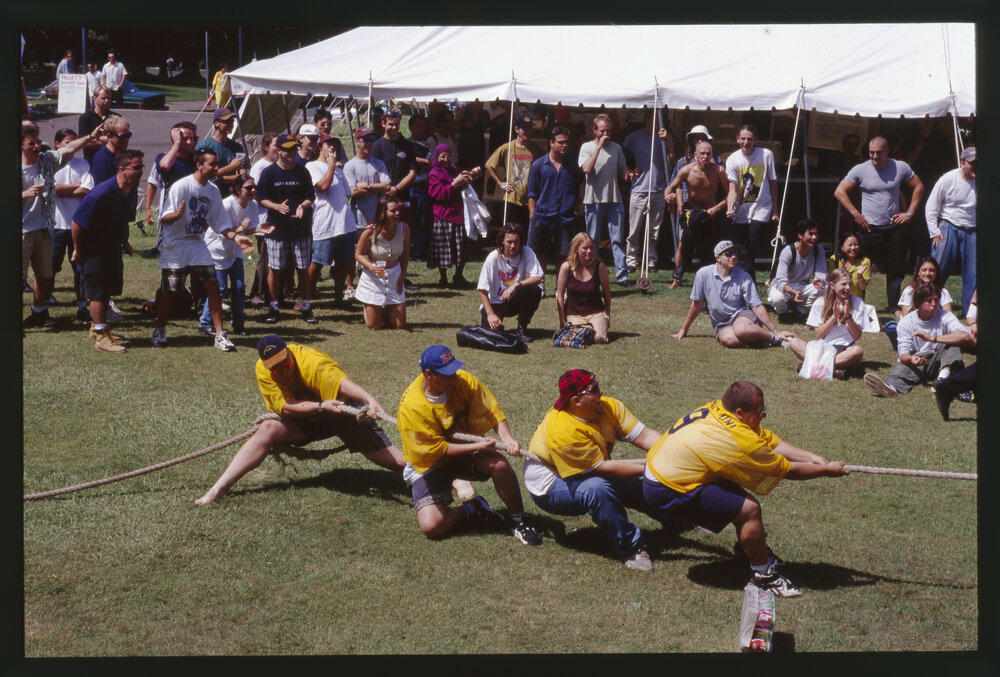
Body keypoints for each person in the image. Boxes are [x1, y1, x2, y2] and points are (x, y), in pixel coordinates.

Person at [643, 380, 849, 597]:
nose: (763, 416)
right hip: (666, 488)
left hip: (663, 469)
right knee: (748, 510)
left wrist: (811, 457)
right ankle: (763, 576)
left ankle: (749, 549)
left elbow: (767, 440)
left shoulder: (719, 408)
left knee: (736, 490)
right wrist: (826, 472)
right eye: (760, 412)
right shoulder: (737, 439)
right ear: (740, 412)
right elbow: (784, 469)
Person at [195, 335, 408, 506]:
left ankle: (438, 466)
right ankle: (218, 489)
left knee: (397, 463)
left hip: (343, 411)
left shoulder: (310, 361)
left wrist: (369, 400)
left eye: (284, 363)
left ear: (289, 352)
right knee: (267, 428)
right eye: (275, 368)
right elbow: (286, 406)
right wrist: (320, 407)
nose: (282, 370)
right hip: (309, 416)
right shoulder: (263, 370)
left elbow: (342, 384)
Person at [395, 345, 543, 545]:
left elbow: (492, 411)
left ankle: (519, 519)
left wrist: (507, 439)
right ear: (428, 374)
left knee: (499, 464)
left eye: (454, 370)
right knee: (432, 526)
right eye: (447, 373)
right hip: (429, 462)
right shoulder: (412, 407)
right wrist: (477, 447)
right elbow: (437, 450)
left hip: (462, 452)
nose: (454, 376)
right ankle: (474, 509)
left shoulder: (463, 381)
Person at [524, 369, 665, 570]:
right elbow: (603, 470)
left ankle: (680, 520)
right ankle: (630, 549)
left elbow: (645, 437)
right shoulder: (563, 430)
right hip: (550, 485)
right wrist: (651, 468)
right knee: (598, 489)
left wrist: (671, 452)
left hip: (589, 468)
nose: (602, 392)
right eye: (595, 389)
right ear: (577, 400)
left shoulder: (609, 407)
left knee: (642, 483)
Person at [152, 148, 256, 350]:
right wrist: (177, 214)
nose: (217, 168)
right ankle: (159, 329)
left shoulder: (213, 190)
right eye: (213, 164)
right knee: (170, 291)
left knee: (214, 287)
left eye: (217, 164)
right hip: (175, 244)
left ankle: (220, 335)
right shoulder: (181, 186)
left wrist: (237, 237)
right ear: (199, 165)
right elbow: (164, 218)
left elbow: (220, 223)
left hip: (197, 243)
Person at [833, 136, 925, 312]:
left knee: (895, 267)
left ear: (887, 151)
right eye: (871, 153)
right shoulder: (860, 169)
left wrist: (909, 213)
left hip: (893, 227)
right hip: (868, 228)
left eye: (878, 153)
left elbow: (919, 186)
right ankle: (856, 304)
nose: (874, 156)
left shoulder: (900, 167)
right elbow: (839, 191)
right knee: (860, 266)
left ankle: (893, 306)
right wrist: (855, 214)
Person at [22, 124, 98, 328]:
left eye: (38, 142)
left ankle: (39, 312)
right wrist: (23, 195)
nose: (38, 146)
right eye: (32, 143)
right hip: (21, 230)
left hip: (45, 228)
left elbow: (69, 149)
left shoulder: (46, 161)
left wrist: (90, 136)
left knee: (44, 274)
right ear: (20, 145)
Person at [70, 149, 144, 352]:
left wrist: (124, 241)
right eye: (136, 168)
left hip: (111, 248)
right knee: (98, 292)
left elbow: (120, 220)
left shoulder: (127, 191)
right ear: (122, 169)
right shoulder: (100, 193)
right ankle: (102, 338)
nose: (141, 172)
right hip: (94, 250)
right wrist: (77, 250)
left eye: (141, 167)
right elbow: (77, 223)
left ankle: (96, 327)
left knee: (107, 289)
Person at [673, 240, 802, 350]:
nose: (733, 256)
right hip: (722, 323)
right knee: (729, 340)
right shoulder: (703, 274)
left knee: (741, 330)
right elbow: (697, 304)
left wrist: (775, 330)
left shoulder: (744, 276)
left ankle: (777, 339)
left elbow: (756, 306)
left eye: (735, 253)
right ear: (718, 258)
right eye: (728, 253)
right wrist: (684, 329)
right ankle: (759, 338)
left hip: (743, 315)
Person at [864, 283, 971, 398]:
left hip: (940, 360)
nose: (934, 304)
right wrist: (912, 359)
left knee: (952, 345)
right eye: (929, 300)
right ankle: (890, 387)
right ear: (918, 303)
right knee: (900, 369)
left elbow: (965, 335)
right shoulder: (906, 322)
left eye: (936, 299)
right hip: (917, 361)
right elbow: (903, 354)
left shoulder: (945, 316)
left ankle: (942, 380)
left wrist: (932, 338)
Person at [197, 174, 272, 337]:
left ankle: (238, 324)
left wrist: (258, 229)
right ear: (238, 189)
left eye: (254, 187)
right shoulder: (227, 204)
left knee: (239, 288)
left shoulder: (252, 205)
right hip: (217, 250)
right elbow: (223, 230)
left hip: (235, 250)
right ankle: (205, 323)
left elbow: (248, 228)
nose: (253, 190)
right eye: (249, 188)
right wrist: (239, 229)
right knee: (220, 289)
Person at [256, 134, 317, 324]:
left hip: (301, 229)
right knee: (274, 269)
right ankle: (274, 307)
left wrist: (303, 206)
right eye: (287, 149)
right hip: (277, 230)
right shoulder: (269, 173)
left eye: (294, 149)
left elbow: (311, 196)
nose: (291, 153)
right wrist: (276, 206)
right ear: (278, 150)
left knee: (303, 268)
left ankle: (306, 306)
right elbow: (260, 197)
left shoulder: (302, 171)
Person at [664, 140, 732, 286]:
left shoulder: (718, 171)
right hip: (692, 210)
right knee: (686, 240)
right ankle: (677, 278)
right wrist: (667, 196)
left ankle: (711, 279)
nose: (705, 156)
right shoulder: (686, 171)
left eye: (708, 153)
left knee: (712, 247)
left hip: (711, 211)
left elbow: (730, 193)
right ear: (695, 154)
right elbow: (670, 188)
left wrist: (717, 208)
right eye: (702, 153)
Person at [785, 268, 875, 380]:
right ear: (832, 285)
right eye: (844, 284)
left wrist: (848, 316)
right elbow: (819, 335)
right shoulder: (820, 303)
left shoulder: (858, 303)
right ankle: (834, 369)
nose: (848, 288)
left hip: (845, 350)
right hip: (824, 348)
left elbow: (857, 336)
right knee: (794, 342)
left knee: (857, 352)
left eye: (850, 284)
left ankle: (813, 366)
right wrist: (834, 317)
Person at [306, 134, 358, 310]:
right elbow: (323, 186)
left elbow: (348, 193)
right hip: (324, 223)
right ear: (320, 147)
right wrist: (331, 165)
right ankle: (306, 295)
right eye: (329, 144)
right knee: (318, 261)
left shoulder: (338, 170)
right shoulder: (312, 166)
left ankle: (338, 296)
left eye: (335, 144)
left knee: (344, 262)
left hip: (344, 222)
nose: (332, 147)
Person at [579, 114, 631, 286]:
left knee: (617, 239)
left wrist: (630, 174)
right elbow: (586, 169)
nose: (606, 134)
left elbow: (623, 173)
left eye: (608, 130)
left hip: (614, 199)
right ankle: (593, 273)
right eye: (602, 131)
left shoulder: (616, 148)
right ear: (595, 130)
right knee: (592, 239)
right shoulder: (586, 147)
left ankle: (622, 277)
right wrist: (599, 148)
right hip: (593, 199)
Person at [622, 110, 675, 275]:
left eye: (660, 119)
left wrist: (667, 140)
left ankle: (651, 261)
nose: (657, 122)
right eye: (654, 118)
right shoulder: (634, 137)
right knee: (634, 230)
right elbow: (620, 156)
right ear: (647, 119)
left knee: (654, 231)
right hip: (639, 189)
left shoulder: (664, 138)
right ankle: (631, 261)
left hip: (658, 190)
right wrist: (628, 170)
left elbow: (673, 159)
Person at [50, 129, 95, 323]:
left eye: (75, 142)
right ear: (57, 145)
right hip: (57, 225)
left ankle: (82, 306)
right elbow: (54, 190)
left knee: (80, 269)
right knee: (50, 267)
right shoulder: (51, 163)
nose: (73, 147)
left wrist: (64, 190)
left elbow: (87, 189)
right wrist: (74, 187)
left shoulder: (82, 163)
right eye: (69, 142)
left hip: (78, 225)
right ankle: (44, 302)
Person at [925, 146, 976, 315]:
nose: (976, 166)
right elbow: (932, 206)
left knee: (974, 272)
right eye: (972, 163)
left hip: (973, 229)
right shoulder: (948, 179)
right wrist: (934, 231)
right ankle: (927, 304)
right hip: (948, 225)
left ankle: (970, 313)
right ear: (962, 163)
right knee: (937, 267)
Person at [526, 125, 582, 276]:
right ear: (551, 143)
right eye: (560, 142)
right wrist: (533, 214)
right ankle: (540, 283)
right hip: (542, 216)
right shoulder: (538, 165)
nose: (564, 145)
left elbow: (576, 191)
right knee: (539, 253)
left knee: (564, 255)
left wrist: (575, 210)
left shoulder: (572, 165)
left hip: (565, 217)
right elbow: (532, 193)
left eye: (566, 142)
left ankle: (561, 286)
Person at [725, 125, 779, 276]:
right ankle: (745, 285)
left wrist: (775, 210)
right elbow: (733, 188)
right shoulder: (732, 160)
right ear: (737, 139)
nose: (746, 142)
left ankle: (749, 288)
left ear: (756, 139)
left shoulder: (766, 155)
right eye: (743, 139)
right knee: (743, 250)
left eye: (749, 139)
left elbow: (773, 183)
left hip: (762, 207)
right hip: (742, 210)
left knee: (750, 246)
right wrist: (730, 207)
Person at [476, 222, 543, 342]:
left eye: (516, 242)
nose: (513, 246)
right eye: (509, 242)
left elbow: (538, 277)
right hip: (495, 304)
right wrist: (490, 314)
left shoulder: (526, 252)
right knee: (490, 336)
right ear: (502, 240)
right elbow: (482, 289)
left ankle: (522, 328)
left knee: (535, 290)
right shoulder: (493, 257)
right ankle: (497, 324)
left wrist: (516, 285)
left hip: (514, 300)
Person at [354, 196, 410, 330]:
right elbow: (358, 254)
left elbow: (405, 253)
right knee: (375, 326)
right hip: (374, 277)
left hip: (394, 274)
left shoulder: (404, 229)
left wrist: (403, 274)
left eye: (398, 209)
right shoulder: (370, 231)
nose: (397, 213)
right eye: (393, 211)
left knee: (399, 325)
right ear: (382, 213)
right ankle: (370, 307)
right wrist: (371, 267)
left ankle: (384, 309)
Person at [427, 143, 474, 289]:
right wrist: (454, 184)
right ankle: (443, 278)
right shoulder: (434, 173)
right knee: (444, 250)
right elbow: (437, 194)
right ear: (437, 157)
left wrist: (465, 182)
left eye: (448, 156)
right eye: (442, 156)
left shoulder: (454, 171)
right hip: (443, 215)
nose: (446, 159)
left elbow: (460, 189)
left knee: (460, 248)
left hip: (457, 214)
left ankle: (458, 275)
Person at [484, 114, 539, 230]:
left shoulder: (536, 149)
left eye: (529, 129)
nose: (527, 132)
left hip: (530, 199)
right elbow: (489, 165)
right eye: (525, 129)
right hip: (512, 198)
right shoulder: (507, 147)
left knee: (526, 232)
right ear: (517, 129)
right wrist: (500, 182)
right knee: (510, 231)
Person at [556, 232, 612, 344]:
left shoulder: (599, 266)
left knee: (599, 338)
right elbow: (560, 296)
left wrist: (607, 314)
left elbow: (607, 293)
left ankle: (591, 329)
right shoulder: (566, 267)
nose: (589, 251)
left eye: (591, 248)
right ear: (576, 249)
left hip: (596, 313)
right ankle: (583, 330)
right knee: (579, 336)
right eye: (585, 248)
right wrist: (562, 320)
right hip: (574, 314)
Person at [766, 218, 827, 317]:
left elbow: (822, 272)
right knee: (777, 298)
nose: (814, 237)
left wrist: (818, 280)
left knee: (826, 289)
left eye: (816, 234)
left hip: (802, 286)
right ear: (800, 235)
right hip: (785, 287)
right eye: (810, 234)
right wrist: (793, 291)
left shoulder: (818, 250)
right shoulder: (788, 251)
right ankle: (783, 311)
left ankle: (801, 309)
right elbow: (780, 280)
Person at [343, 127, 393, 228]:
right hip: (359, 220)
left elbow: (388, 185)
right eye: (365, 140)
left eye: (371, 140)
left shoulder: (378, 163)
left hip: (379, 217)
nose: (369, 143)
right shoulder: (350, 166)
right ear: (357, 141)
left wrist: (366, 185)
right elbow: (353, 192)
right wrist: (378, 189)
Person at [195, 108, 246, 189]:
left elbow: (243, 177)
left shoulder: (237, 147)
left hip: (230, 195)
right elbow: (203, 174)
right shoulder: (205, 146)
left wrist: (218, 178)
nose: (231, 124)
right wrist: (230, 168)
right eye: (226, 121)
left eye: (232, 120)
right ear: (216, 123)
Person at [407, 114, 433, 261]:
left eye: (424, 126)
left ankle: (418, 251)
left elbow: (431, 163)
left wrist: (422, 162)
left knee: (421, 219)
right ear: (411, 127)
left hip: (422, 185)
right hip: (407, 184)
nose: (422, 129)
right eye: (419, 126)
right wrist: (421, 161)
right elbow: (407, 158)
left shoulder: (427, 145)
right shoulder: (405, 143)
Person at [78, 85, 119, 164]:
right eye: (103, 98)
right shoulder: (85, 118)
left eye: (109, 98)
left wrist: (96, 138)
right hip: (91, 161)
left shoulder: (116, 118)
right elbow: (83, 143)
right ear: (95, 98)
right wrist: (109, 142)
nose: (107, 101)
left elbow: (118, 142)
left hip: (112, 162)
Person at [827, 233, 872, 299]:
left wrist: (860, 275)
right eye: (850, 245)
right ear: (842, 247)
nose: (853, 248)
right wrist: (842, 273)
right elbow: (831, 284)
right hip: (837, 300)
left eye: (856, 245)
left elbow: (863, 287)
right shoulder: (834, 260)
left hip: (856, 302)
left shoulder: (865, 262)